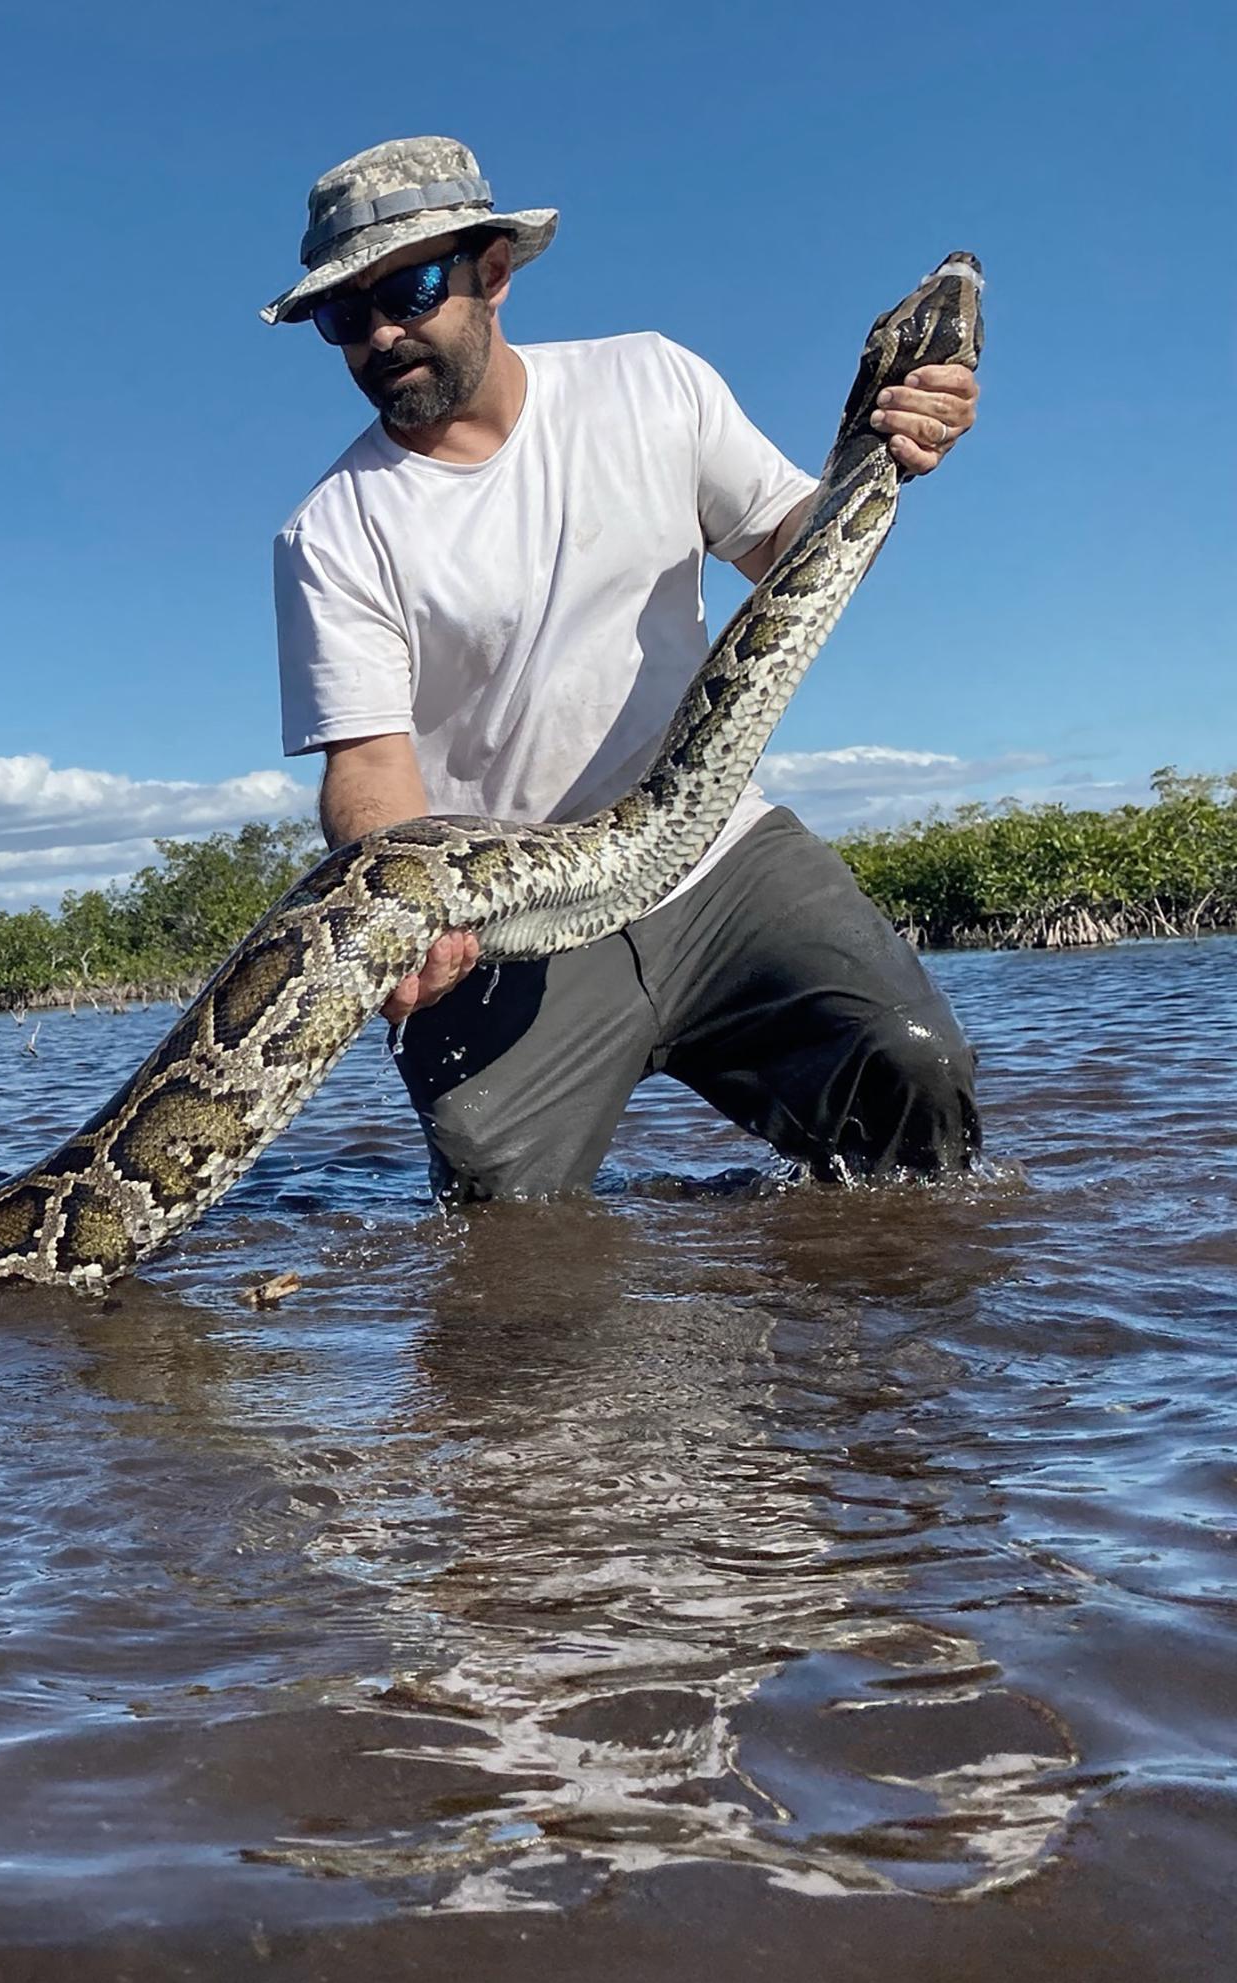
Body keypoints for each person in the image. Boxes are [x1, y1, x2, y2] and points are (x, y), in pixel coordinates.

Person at [262, 137, 983, 1200]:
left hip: (717, 858)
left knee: (915, 1076)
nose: (379, 333)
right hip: (503, 917)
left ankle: (864, 1343)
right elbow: (369, 768)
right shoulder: (328, 532)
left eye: (409, 290)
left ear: (493, 272)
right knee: (500, 1224)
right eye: (342, 315)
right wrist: (416, 906)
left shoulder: (651, 379)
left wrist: (892, 450)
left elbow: (794, 552)